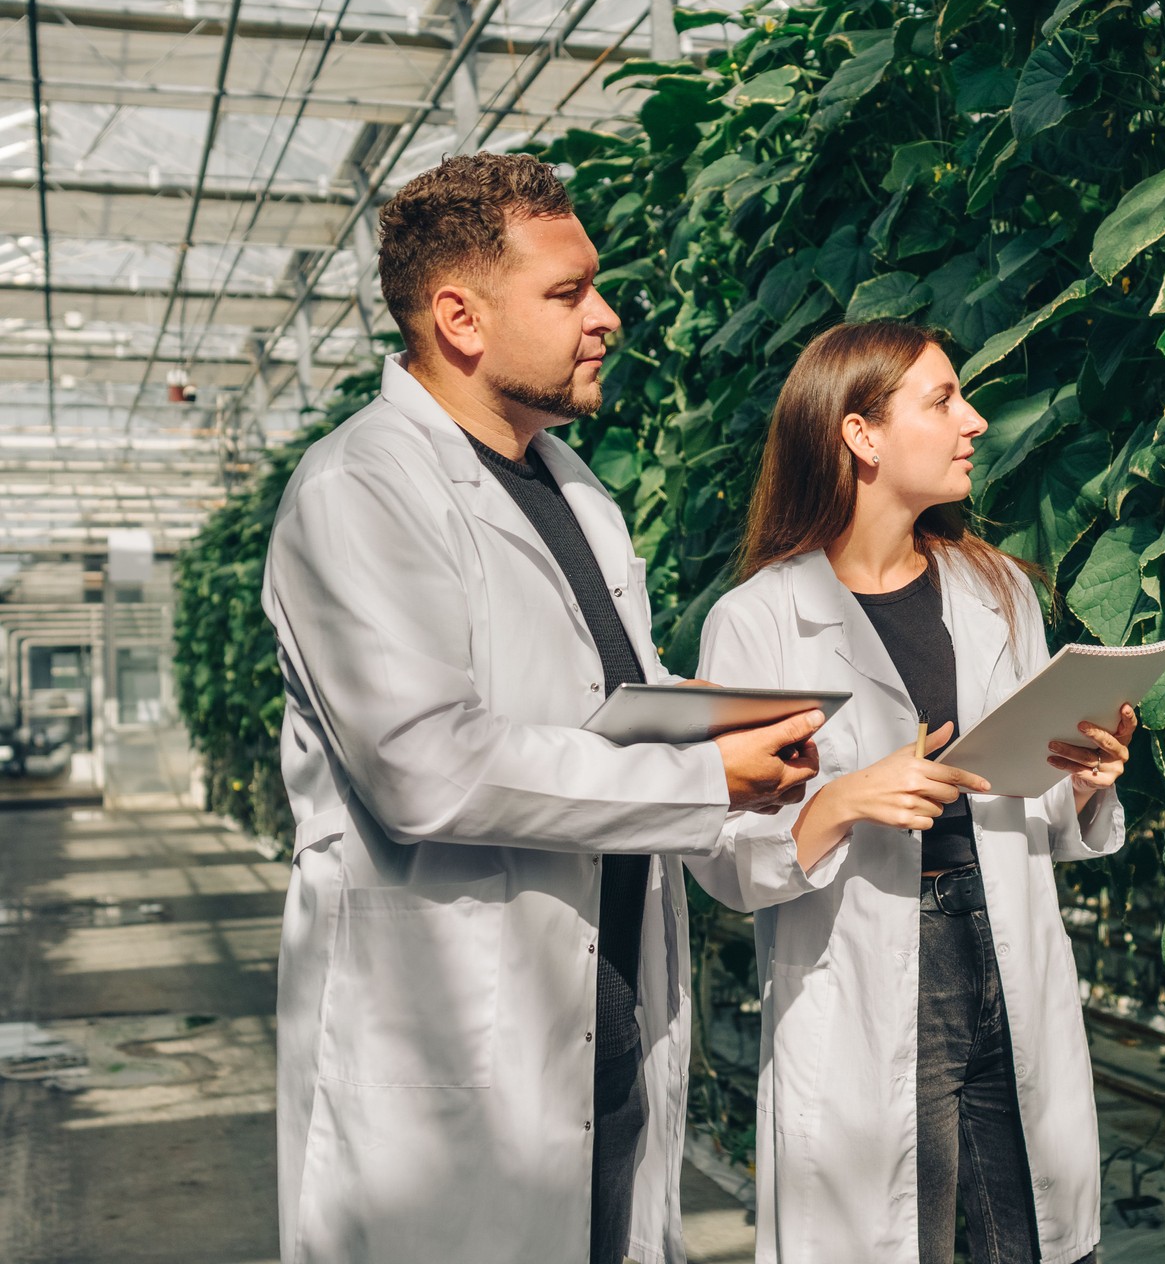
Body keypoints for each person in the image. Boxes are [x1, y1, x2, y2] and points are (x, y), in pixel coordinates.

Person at [262, 152, 822, 1264]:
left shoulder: (574, 491)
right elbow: (431, 765)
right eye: (568, 293)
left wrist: (727, 714)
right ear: (460, 316)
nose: (605, 316)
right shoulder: (360, 490)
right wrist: (706, 779)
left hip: (602, 1001)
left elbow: (603, 701)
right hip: (462, 1032)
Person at [691, 321, 1138, 1264]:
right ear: (862, 435)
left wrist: (1087, 783)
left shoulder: (998, 591)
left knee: (1034, 1236)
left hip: (1002, 941)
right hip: (872, 965)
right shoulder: (760, 621)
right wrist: (843, 802)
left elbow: (1037, 814)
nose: (972, 421)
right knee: (898, 1239)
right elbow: (724, 862)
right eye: (942, 401)